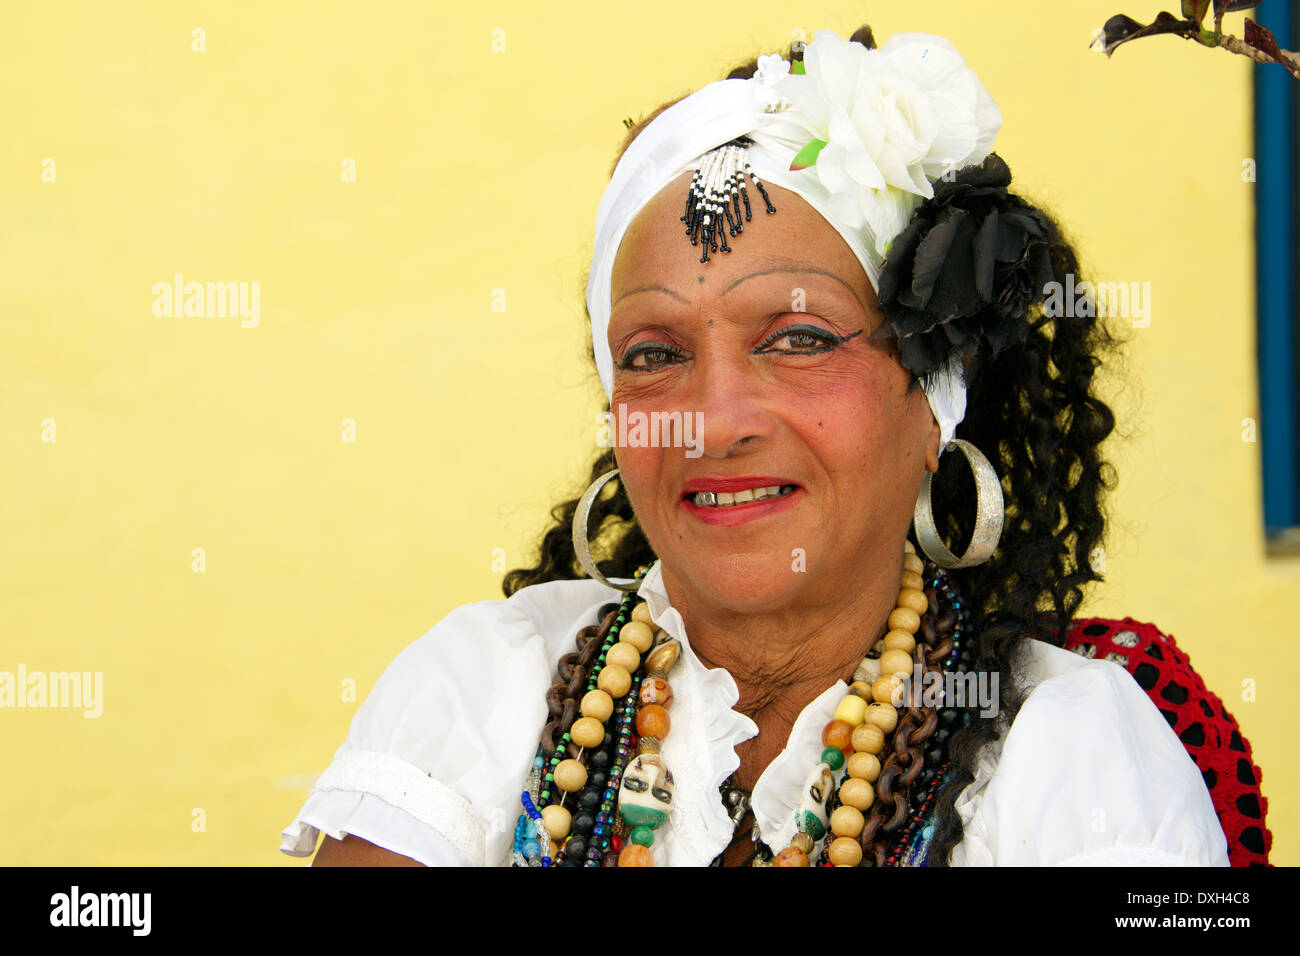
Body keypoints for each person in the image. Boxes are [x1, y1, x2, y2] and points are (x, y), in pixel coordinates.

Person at [280, 25, 1230, 867]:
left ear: (934, 398)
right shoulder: (486, 694)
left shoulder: (1067, 761)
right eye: (655, 356)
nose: (714, 417)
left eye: (801, 339)